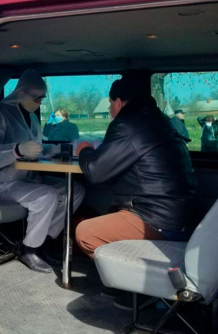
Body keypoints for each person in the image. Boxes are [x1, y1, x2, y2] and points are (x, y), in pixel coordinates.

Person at [75, 77, 199, 266]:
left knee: (85, 232)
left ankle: (130, 276)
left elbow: (95, 171)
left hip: (160, 221)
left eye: (110, 104)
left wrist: (84, 149)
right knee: (110, 209)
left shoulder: (127, 124)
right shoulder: (160, 120)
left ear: (118, 102)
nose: (109, 109)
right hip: (183, 216)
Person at [0, 69, 85, 273]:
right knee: (47, 195)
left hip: (27, 178)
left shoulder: (32, 118)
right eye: (36, 97)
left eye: (42, 98)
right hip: (1, 182)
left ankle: (45, 240)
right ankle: (29, 250)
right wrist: (16, 150)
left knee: (75, 191)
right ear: (21, 92)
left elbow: (36, 146)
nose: (39, 102)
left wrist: (54, 149)